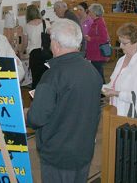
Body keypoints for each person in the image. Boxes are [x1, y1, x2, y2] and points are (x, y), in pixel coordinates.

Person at [27, 19, 101, 183]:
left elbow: (36, 118)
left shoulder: (53, 76)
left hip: (58, 154)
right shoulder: (91, 71)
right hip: (84, 150)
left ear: (56, 44)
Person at [102, 23, 137, 119]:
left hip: (135, 115)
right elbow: (113, 83)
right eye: (120, 42)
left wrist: (116, 93)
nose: (120, 46)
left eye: (124, 43)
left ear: (136, 42)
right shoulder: (121, 60)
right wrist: (102, 88)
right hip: (119, 110)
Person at [24, 4, 51, 88]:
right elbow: (51, 36)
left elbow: (25, 43)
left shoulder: (27, 26)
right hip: (46, 53)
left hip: (34, 54)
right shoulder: (46, 23)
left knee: (35, 78)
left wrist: (22, 51)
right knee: (47, 77)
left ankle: (35, 98)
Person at [84, 3, 110, 81]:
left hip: (97, 53)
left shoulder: (99, 23)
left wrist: (90, 39)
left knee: (98, 74)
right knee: (97, 73)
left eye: (90, 11)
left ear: (95, 12)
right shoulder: (96, 22)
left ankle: (102, 91)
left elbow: (104, 38)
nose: (89, 13)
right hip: (95, 53)